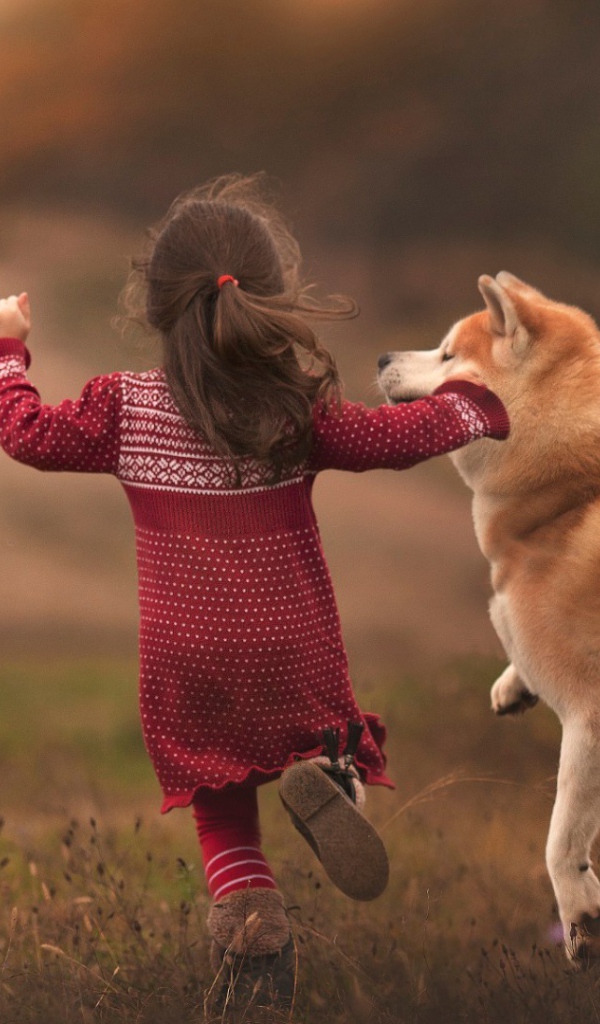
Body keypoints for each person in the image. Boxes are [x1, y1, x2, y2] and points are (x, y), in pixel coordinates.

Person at [0, 175, 509, 1016]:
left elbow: (25, 433)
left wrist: (9, 348)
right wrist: (475, 403)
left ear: (160, 308)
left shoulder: (126, 407)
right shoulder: (292, 411)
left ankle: (256, 944)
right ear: (269, 302)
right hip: (289, 644)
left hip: (183, 658)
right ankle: (326, 776)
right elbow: (398, 437)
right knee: (315, 732)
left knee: (222, 812)